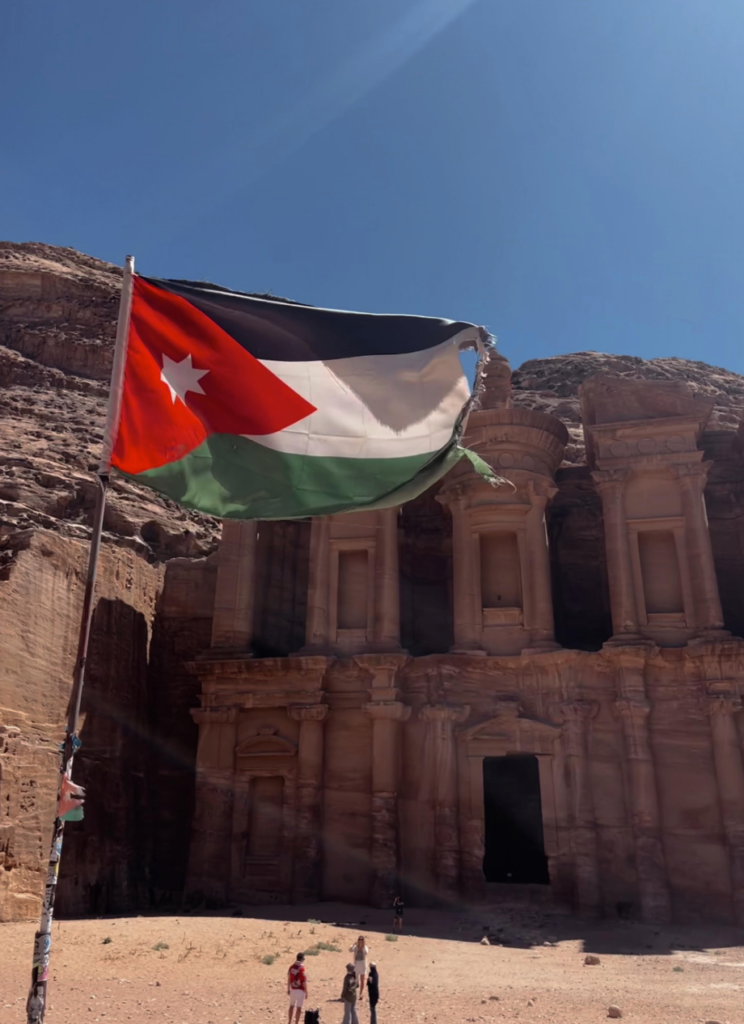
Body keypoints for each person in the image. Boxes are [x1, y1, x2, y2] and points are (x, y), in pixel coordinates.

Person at [287, 951, 308, 1024]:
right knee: (299, 1008)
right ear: (302, 959)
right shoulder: (302, 969)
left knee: (291, 1006)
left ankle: (289, 1021)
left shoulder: (291, 967)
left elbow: (289, 979)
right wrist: (306, 992)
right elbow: (304, 981)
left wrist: (288, 988)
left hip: (293, 989)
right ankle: (296, 1022)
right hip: (301, 990)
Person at [349, 935, 369, 1000]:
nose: (360, 941)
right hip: (356, 963)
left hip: (363, 964)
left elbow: (366, 952)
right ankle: (353, 993)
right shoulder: (356, 947)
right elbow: (350, 950)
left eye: (361, 940)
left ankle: (361, 994)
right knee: (355, 980)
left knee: (362, 980)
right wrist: (353, 945)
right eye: (359, 939)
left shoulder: (365, 947)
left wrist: (362, 947)